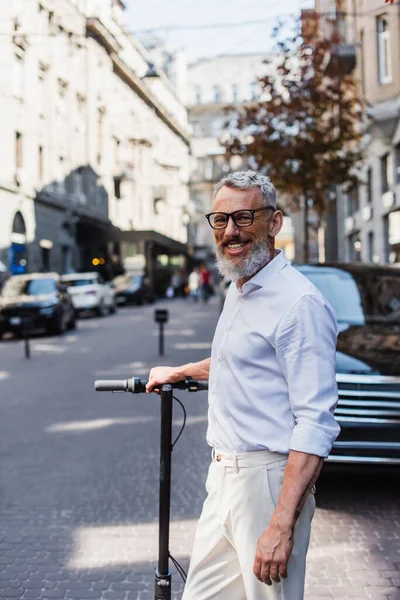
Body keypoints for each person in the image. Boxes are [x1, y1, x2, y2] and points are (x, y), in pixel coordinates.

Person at [146, 170, 340, 600]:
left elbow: (316, 422)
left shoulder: (299, 303)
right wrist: (181, 371)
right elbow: (241, 362)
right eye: (220, 219)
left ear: (274, 222)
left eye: (244, 217)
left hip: (268, 484)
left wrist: (281, 522)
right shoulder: (240, 286)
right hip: (224, 480)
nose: (231, 231)